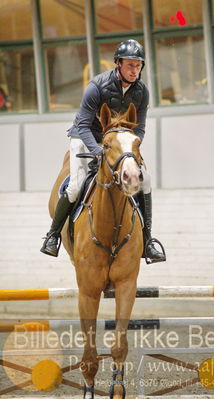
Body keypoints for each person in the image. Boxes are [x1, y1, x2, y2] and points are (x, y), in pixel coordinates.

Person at [40, 39, 166, 263]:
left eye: (138, 65)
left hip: (120, 142)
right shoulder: (97, 86)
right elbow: (84, 126)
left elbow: (140, 129)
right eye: (129, 65)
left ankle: (148, 241)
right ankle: (52, 236)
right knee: (75, 187)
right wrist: (98, 151)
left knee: (144, 180)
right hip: (86, 136)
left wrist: (130, 149)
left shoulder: (142, 92)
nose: (134, 70)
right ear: (118, 64)